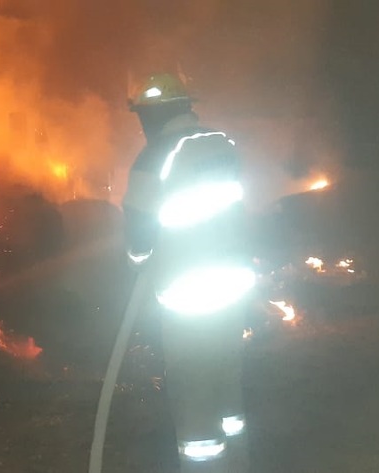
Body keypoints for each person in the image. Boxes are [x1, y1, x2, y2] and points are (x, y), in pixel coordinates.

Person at [122, 73, 252, 472]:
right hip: (233, 289)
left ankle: (205, 466)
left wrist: (140, 264)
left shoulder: (154, 157)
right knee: (227, 383)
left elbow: (139, 234)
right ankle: (241, 463)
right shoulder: (222, 143)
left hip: (189, 299)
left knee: (193, 392)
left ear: (153, 116)